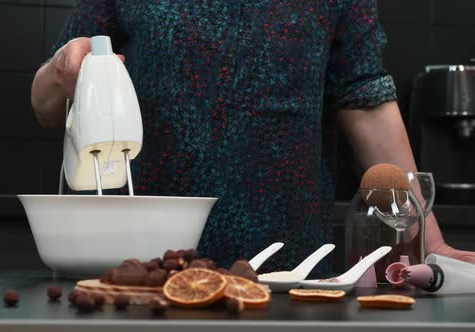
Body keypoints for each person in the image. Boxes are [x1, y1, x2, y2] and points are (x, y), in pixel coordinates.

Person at [31, 0, 475, 272]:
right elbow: (45, 103)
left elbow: (365, 99)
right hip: (141, 269)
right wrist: (61, 72)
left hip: (289, 273)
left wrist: (428, 242)